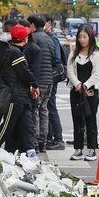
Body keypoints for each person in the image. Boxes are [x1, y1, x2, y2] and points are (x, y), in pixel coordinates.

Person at [0, 24, 40, 159]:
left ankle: (31, 151)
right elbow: (25, 72)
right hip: (15, 96)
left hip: (21, 96)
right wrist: (34, 84)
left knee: (27, 125)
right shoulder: (15, 52)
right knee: (7, 125)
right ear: (24, 39)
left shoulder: (13, 50)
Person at [67, 24, 99, 161]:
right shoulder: (73, 54)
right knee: (77, 120)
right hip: (75, 91)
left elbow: (96, 74)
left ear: (90, 37)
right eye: (80, 37)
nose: (82, 40)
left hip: (91, 92)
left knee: (90, 120)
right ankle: (78, 149)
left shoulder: (96, 54)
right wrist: (77, 84)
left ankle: (92, 149)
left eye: (85, 37)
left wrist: (85, 86)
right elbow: (70, 71)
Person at [28, 14, 56, 153]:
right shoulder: (50, 39)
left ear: (33, 25)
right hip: (49, 80)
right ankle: (43, 142)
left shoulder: (34, 38)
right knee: (44, 110)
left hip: (38, 81)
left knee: (35, 111)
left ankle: (35, 142)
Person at [44, 14, 66, 151]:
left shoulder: (53, 38)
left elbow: (57, 59)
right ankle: (51, 136)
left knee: (51, 106)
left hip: (51, 77)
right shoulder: (47, 38)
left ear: (50, 24)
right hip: (47, 76)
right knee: (47, 107)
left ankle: (58, 138)